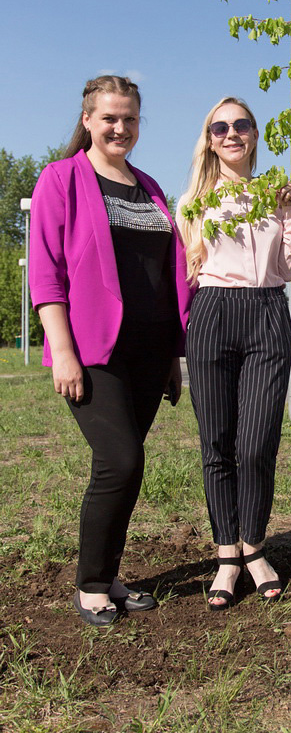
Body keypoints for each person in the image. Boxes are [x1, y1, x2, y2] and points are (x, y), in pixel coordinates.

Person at [30, 76, 192, 626]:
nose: (120, 128)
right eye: (109, 118)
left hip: (150, 351)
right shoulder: (62, 179)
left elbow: (163, 275)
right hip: (95, 350)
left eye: (129, 119)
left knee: (127, 467)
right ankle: (92, 583)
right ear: (87, 121)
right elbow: (46, 273)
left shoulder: (149, 186)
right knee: (120, 460)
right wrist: (63, 350)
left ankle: (109, 573)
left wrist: (173, 354)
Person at [178, 97, 291, 610]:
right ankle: (227, 555)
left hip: (268, 312)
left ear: (255, 133)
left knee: (256, 444)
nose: (231, 133)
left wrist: (290, 214)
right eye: (220, 127)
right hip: (212, 314)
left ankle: (255, 547)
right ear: (209, 139)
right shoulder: (193, 201)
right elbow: (186, 272)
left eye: (241, 124)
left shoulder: (275, 193)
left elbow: (290, 267)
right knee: (218, 443)